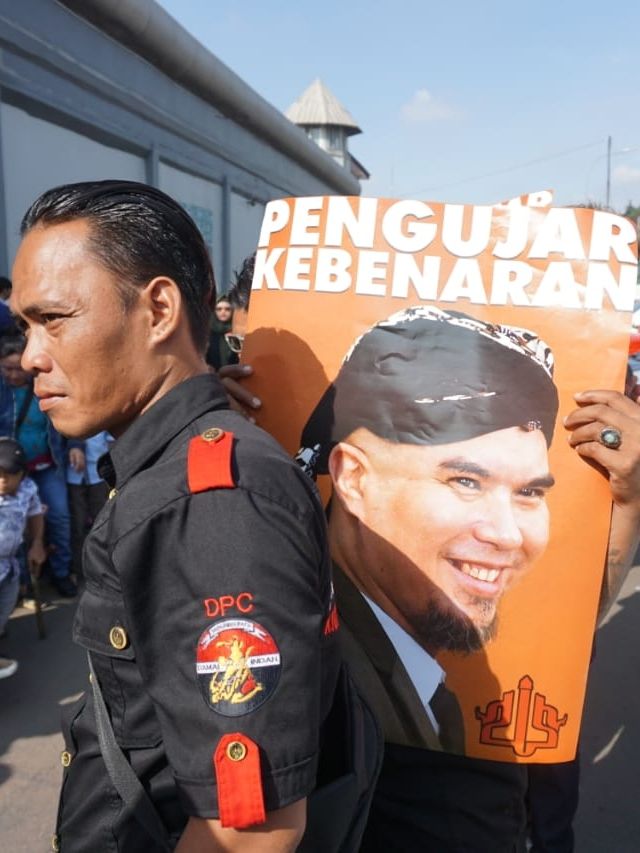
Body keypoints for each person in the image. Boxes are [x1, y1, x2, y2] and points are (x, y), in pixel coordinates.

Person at [11, 180, 379, 853]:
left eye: (54, 318)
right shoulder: (173, 474)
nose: (31, 354)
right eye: (24, 327)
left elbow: (251, 832)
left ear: (158, 309)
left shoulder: (211, 500)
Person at [292, 304, 640, 850]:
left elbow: (564, 645)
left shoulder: (427, 670)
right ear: (354, 477)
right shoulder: (304, 648)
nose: (507, 534)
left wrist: (628, 500)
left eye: (529, 492)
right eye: (466, 482)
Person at [0, 336, 77, 597]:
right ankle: (22, 580)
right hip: (11, 473)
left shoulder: (47, 383)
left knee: (59, 517)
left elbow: (70, 414)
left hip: (47, 466)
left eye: (17, 368)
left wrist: (76, 444)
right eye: (6, 368)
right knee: (15, 525)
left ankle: (61, 572)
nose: (13, 374)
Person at [0, 437, 46, 678]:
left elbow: (35, 513)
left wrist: (37, 544)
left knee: (6, 606)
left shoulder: (28, 489)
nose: (2, 479)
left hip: (9, 565)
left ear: (22, 474)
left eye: (9, 473)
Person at [65, 431, 111, 577]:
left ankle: (102, 567)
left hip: (98, 475)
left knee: (101, 523)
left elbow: (111, 441)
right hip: (73, 475)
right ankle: (79, 569)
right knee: (77, 525)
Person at [205, 296, 237, 370]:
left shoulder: (236, 331)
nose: (223, 312)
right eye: (219, 309)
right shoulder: (207, 332)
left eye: (227, 309)